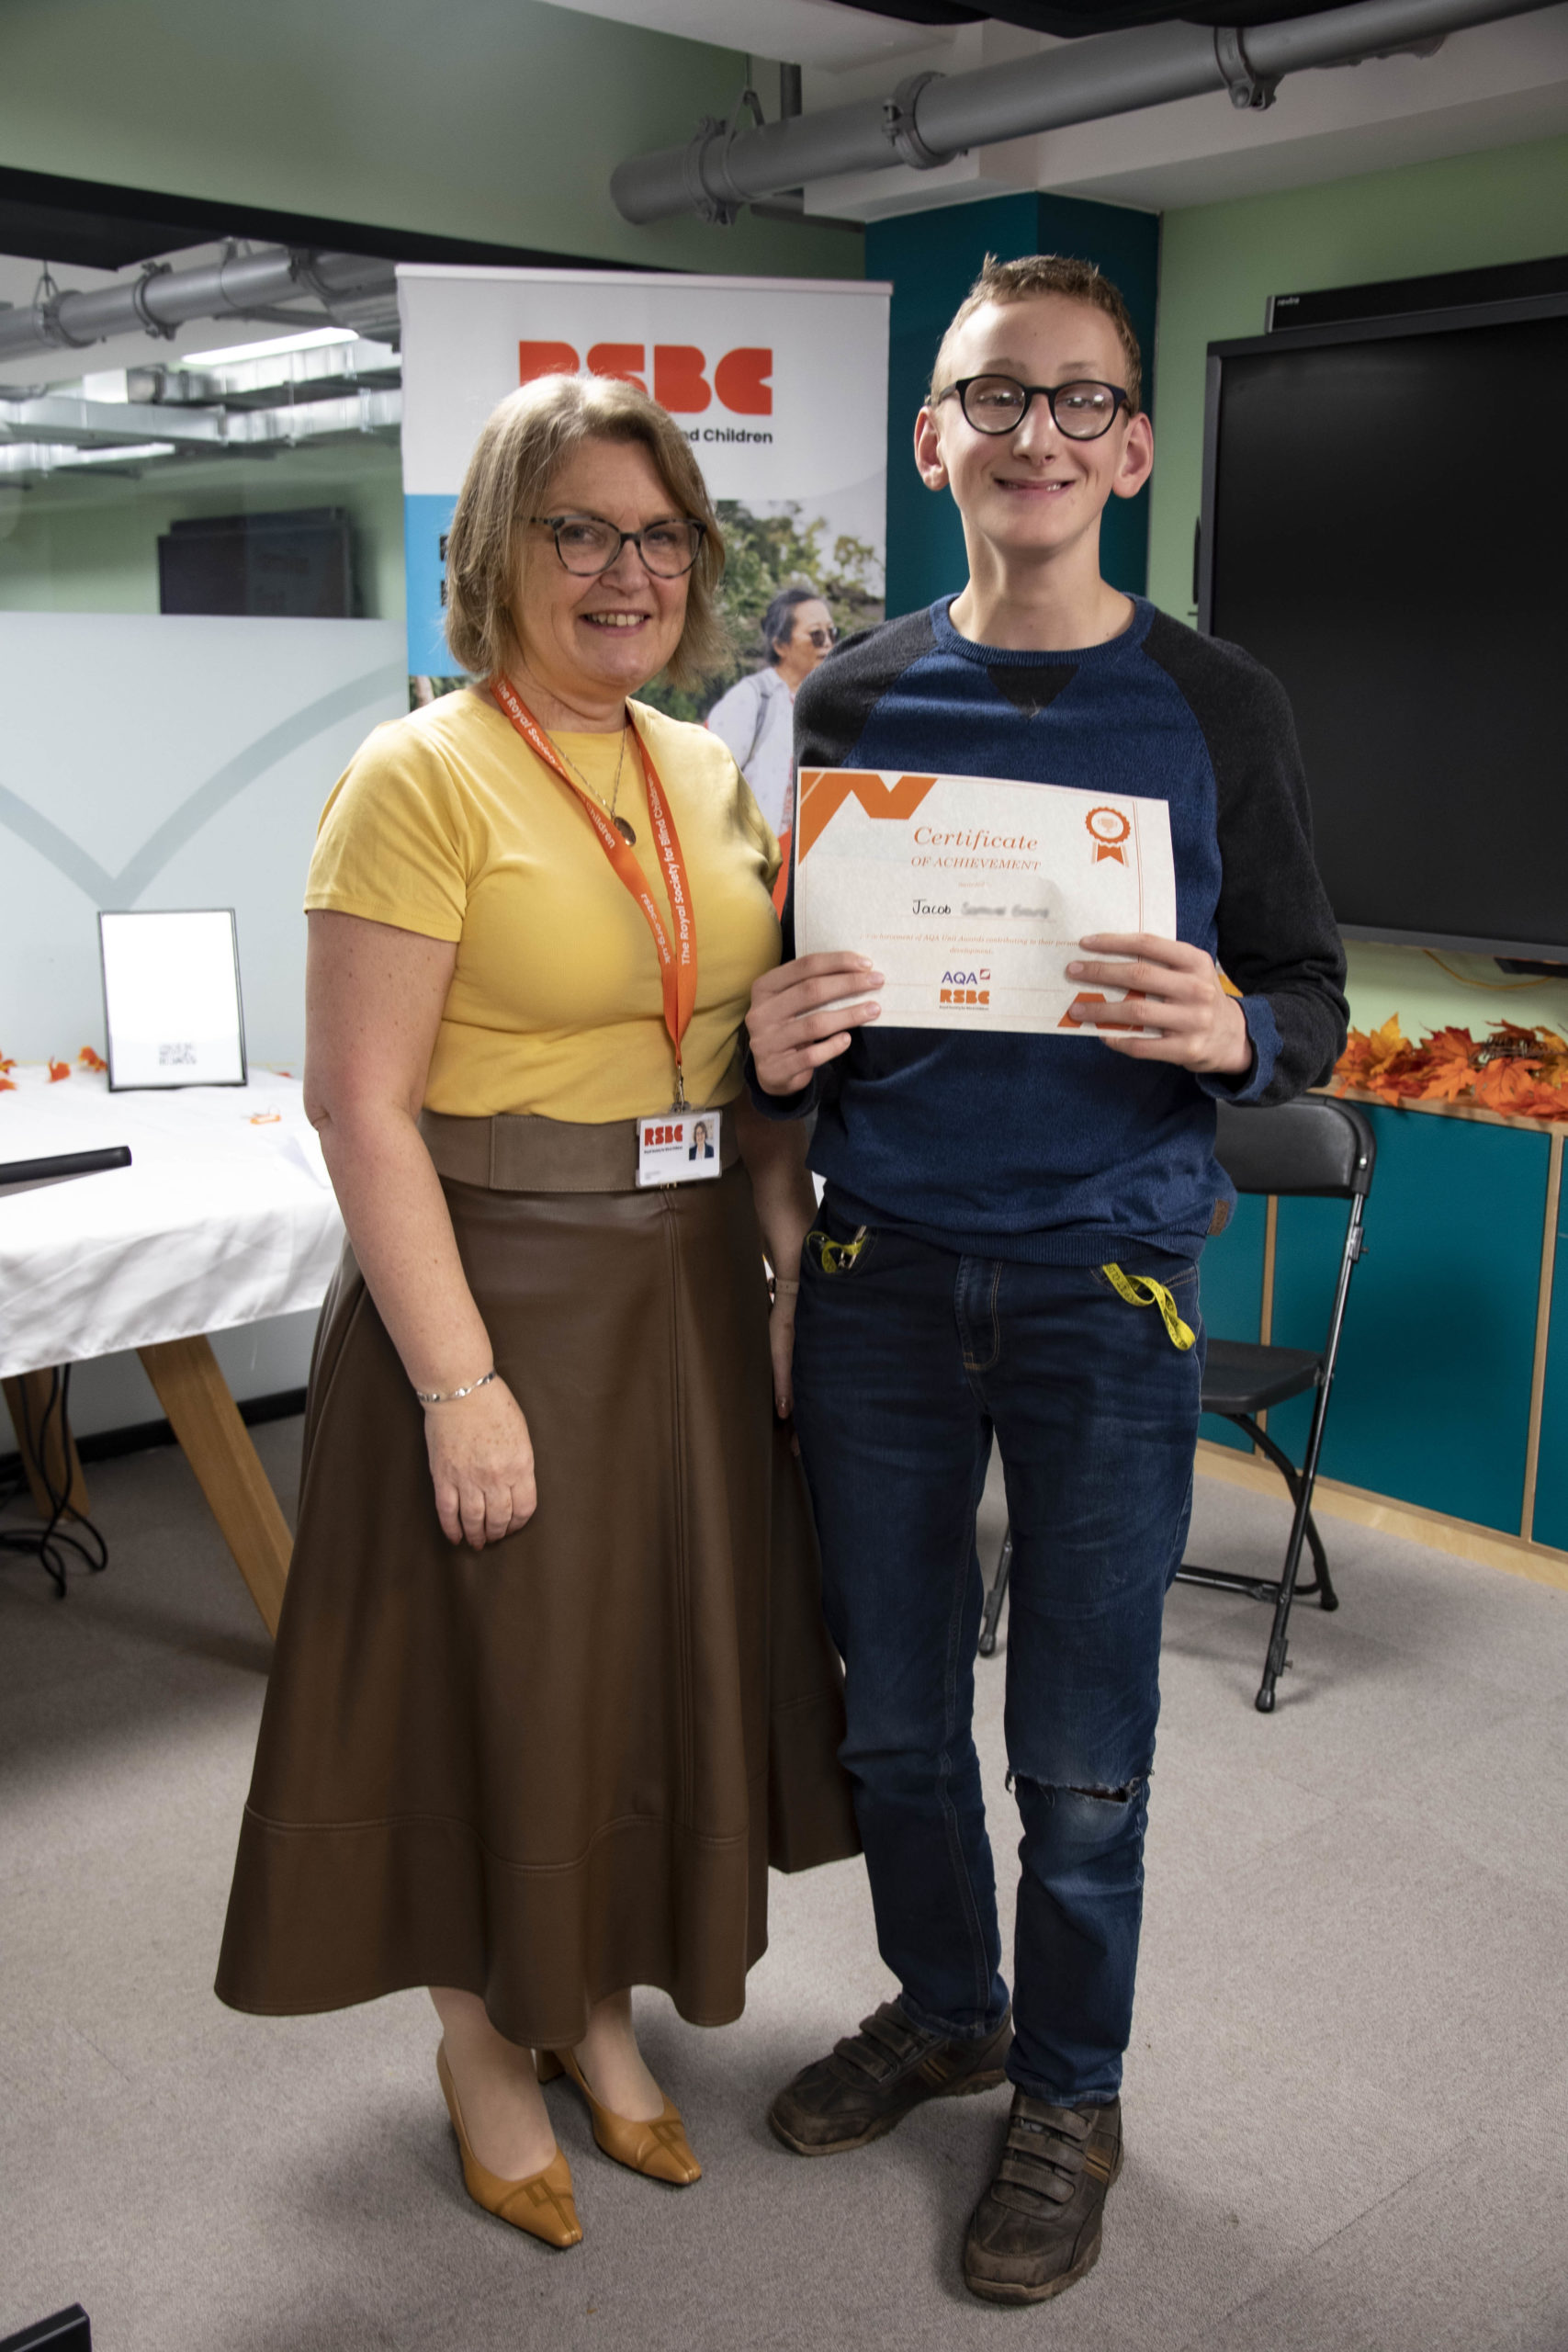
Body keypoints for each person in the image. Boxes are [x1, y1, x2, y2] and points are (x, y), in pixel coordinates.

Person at [745, 254, 1348, 2306]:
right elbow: (803, 998)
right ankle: (949, 2003)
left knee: (1081, 1746)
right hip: (881, 1270)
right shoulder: (847, 702)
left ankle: (1069, 2086)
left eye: (1080, 402)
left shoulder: (1214, 702)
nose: (1035, 437)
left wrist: (1228, 1037)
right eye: (997, 399)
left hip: (1106, 1286)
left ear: (1134, 444)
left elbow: (1308, 997)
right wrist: (776, 1028)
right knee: (895, 1717)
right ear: (937, 437)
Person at [216, 371, 855, 2252]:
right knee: (491, 1683)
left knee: (630, 1676)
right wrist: (458, 1382)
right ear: (499, 547)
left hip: (673, 1288)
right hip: (491, 1286)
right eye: (578, 527)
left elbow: (734, 1063)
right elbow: (359, 1103)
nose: (623, 569)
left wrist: (783, 1248)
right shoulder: (417, 776)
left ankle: (588, 2001)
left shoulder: (703, 769)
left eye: (657, 535)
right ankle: (483, 2043)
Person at [705, 585, 837, 900]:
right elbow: (708, 785)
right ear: (781, 644)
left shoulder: (828, 704)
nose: (829, 644)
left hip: (806, 875)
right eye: (817, 635)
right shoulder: (753, 698)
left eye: (833, 633)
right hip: (752, 874)